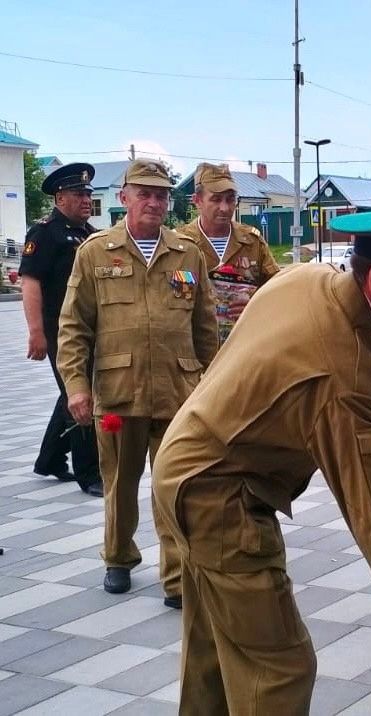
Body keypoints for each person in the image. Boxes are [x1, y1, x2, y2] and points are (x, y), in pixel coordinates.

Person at [151, 205, 371, 714]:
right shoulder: (340, 373)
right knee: (278, 668)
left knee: (214, 655)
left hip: (186, 464)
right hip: (218, 496)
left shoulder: (311, 278)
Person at [57, 159, 219, 607]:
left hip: (178, 393)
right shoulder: (94, 252)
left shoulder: (187, 252)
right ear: (124, 197)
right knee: (119, 482)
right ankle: (118, 557)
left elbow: (206, 327)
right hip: (116, 395)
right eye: (144, 193)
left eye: (162, 194)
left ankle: (176, 576)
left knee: (175, 486)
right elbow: (74, 326)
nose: (153, 201)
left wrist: (213, 384)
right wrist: (75, 384)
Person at [19, 163, 102, 496]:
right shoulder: (45, 232)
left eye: (88, 194)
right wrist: (36, 332)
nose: (86, 200)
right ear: (60, 197)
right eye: (79, 194)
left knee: (71, 390)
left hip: (87, 328)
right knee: (80, 393)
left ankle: (50, 459)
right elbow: (30, 282)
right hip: (58, 331)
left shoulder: (89, 234)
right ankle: (89, 473)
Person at [177, 163, 280, 341]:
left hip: (245, 347)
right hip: (197, 351)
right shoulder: (179, 244)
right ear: (197, 201)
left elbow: (278, 288)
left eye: (230, 199)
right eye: (216, 199)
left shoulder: (252, 242)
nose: (225, 208)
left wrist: (255, 305)